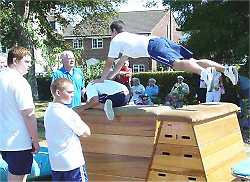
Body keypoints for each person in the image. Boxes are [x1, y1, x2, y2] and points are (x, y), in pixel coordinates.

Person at [94, 20, 238, 91]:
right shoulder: (127, 40)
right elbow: (118, 66)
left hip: (153, 47)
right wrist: (106, 80)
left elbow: (109, 63)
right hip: (160, 40)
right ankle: (226, 70)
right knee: (193, 61)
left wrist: (100, 79)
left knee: (176, 64)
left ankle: (205, 74)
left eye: (110, 33)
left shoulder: (116, 41)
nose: (110, 36)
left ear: (113, 31)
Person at [0, 46, 40, 181]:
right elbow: (29, 114)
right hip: (19, 142)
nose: (29, 65)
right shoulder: (20, 82)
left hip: (4, 142)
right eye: (27, 62)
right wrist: (35, 140)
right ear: (15, 61)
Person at [44, 78, 91, 181]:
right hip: (73, 164)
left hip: (56, 164)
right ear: (58, 92)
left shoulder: (48, 111)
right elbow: (86, 133)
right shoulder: (67, 113)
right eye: (69, 92)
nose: (72, 95)